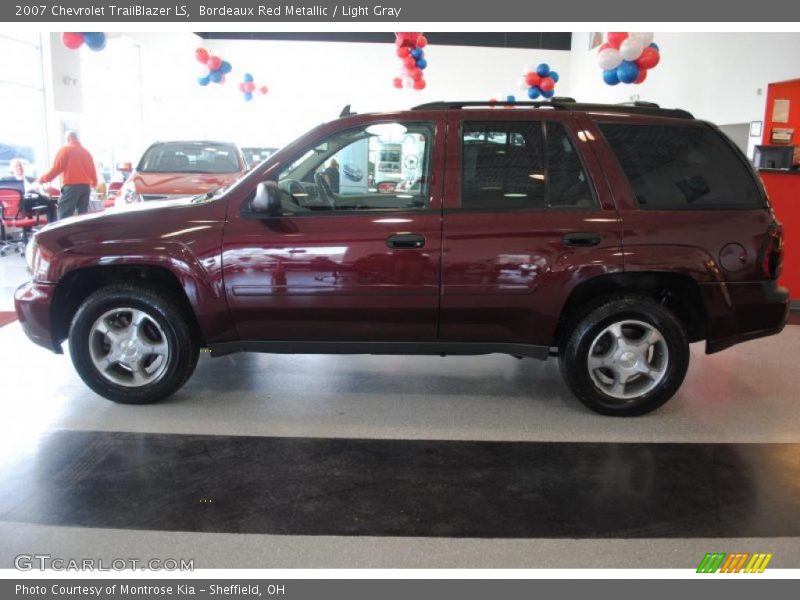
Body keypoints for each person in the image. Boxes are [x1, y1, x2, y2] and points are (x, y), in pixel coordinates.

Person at [39, 131, 97, 220]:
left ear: (68, 139)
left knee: (64, 216)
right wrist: (94, 184)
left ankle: (63, 234)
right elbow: (92, 172)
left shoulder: (65, 150)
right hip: (85, 187)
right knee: (83, 217)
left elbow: (56, 169)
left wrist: (43, 179)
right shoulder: (86, 153)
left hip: (72, 187)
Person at [8, 159, 58, 223]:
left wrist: (43, 193)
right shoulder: (10, 181)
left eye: (20, 165)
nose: (19, 167)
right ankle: (50, 202)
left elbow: (41, 190)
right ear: (12, 169)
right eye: (16, 166)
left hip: (34, 201)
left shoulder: (31, 179)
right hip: (20, 203)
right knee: (32, 192)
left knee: (50, 205)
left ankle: (52, 226)